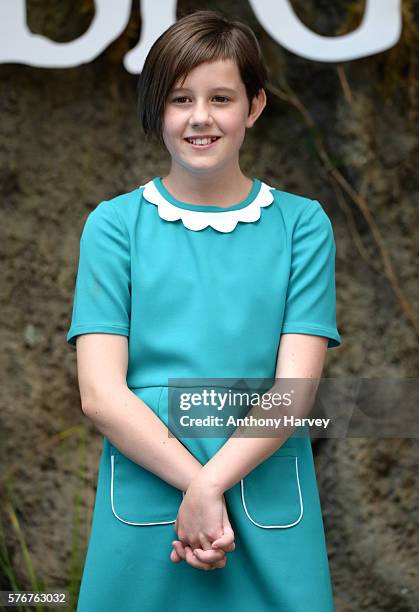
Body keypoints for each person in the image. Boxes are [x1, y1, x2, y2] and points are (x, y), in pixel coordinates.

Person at [66, 9, 342, 612]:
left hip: (263, 490)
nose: (200, 117)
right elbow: (99, 393)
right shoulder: (115, 226)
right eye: (179, 98)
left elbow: (296, 391)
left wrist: (210, 485)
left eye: (221, 97)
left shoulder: (302, 225)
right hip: (147, 493)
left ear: (255, 105)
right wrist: (194, 486)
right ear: (156, 109)